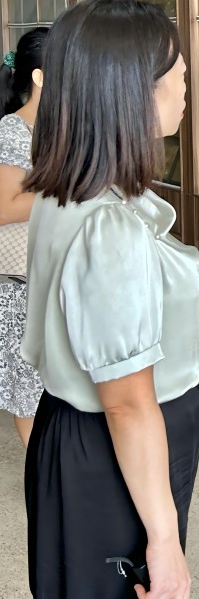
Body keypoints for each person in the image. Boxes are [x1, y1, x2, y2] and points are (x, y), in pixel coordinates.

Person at [20, 0, 199, 599]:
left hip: (78, 434)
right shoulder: (110, 228)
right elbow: (126, 403)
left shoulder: (66, 190)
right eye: (177, 74)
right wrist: (165, 540)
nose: (186, 85)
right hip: (114, 448)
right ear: (132, 93)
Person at [0, 29, 47, 446]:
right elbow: (6, 208)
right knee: (30, 392)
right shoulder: (11, 132)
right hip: (23, 285)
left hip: (62, 276)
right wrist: (68, 186)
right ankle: (42, 473)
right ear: (40, 77)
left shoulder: (68, 129)